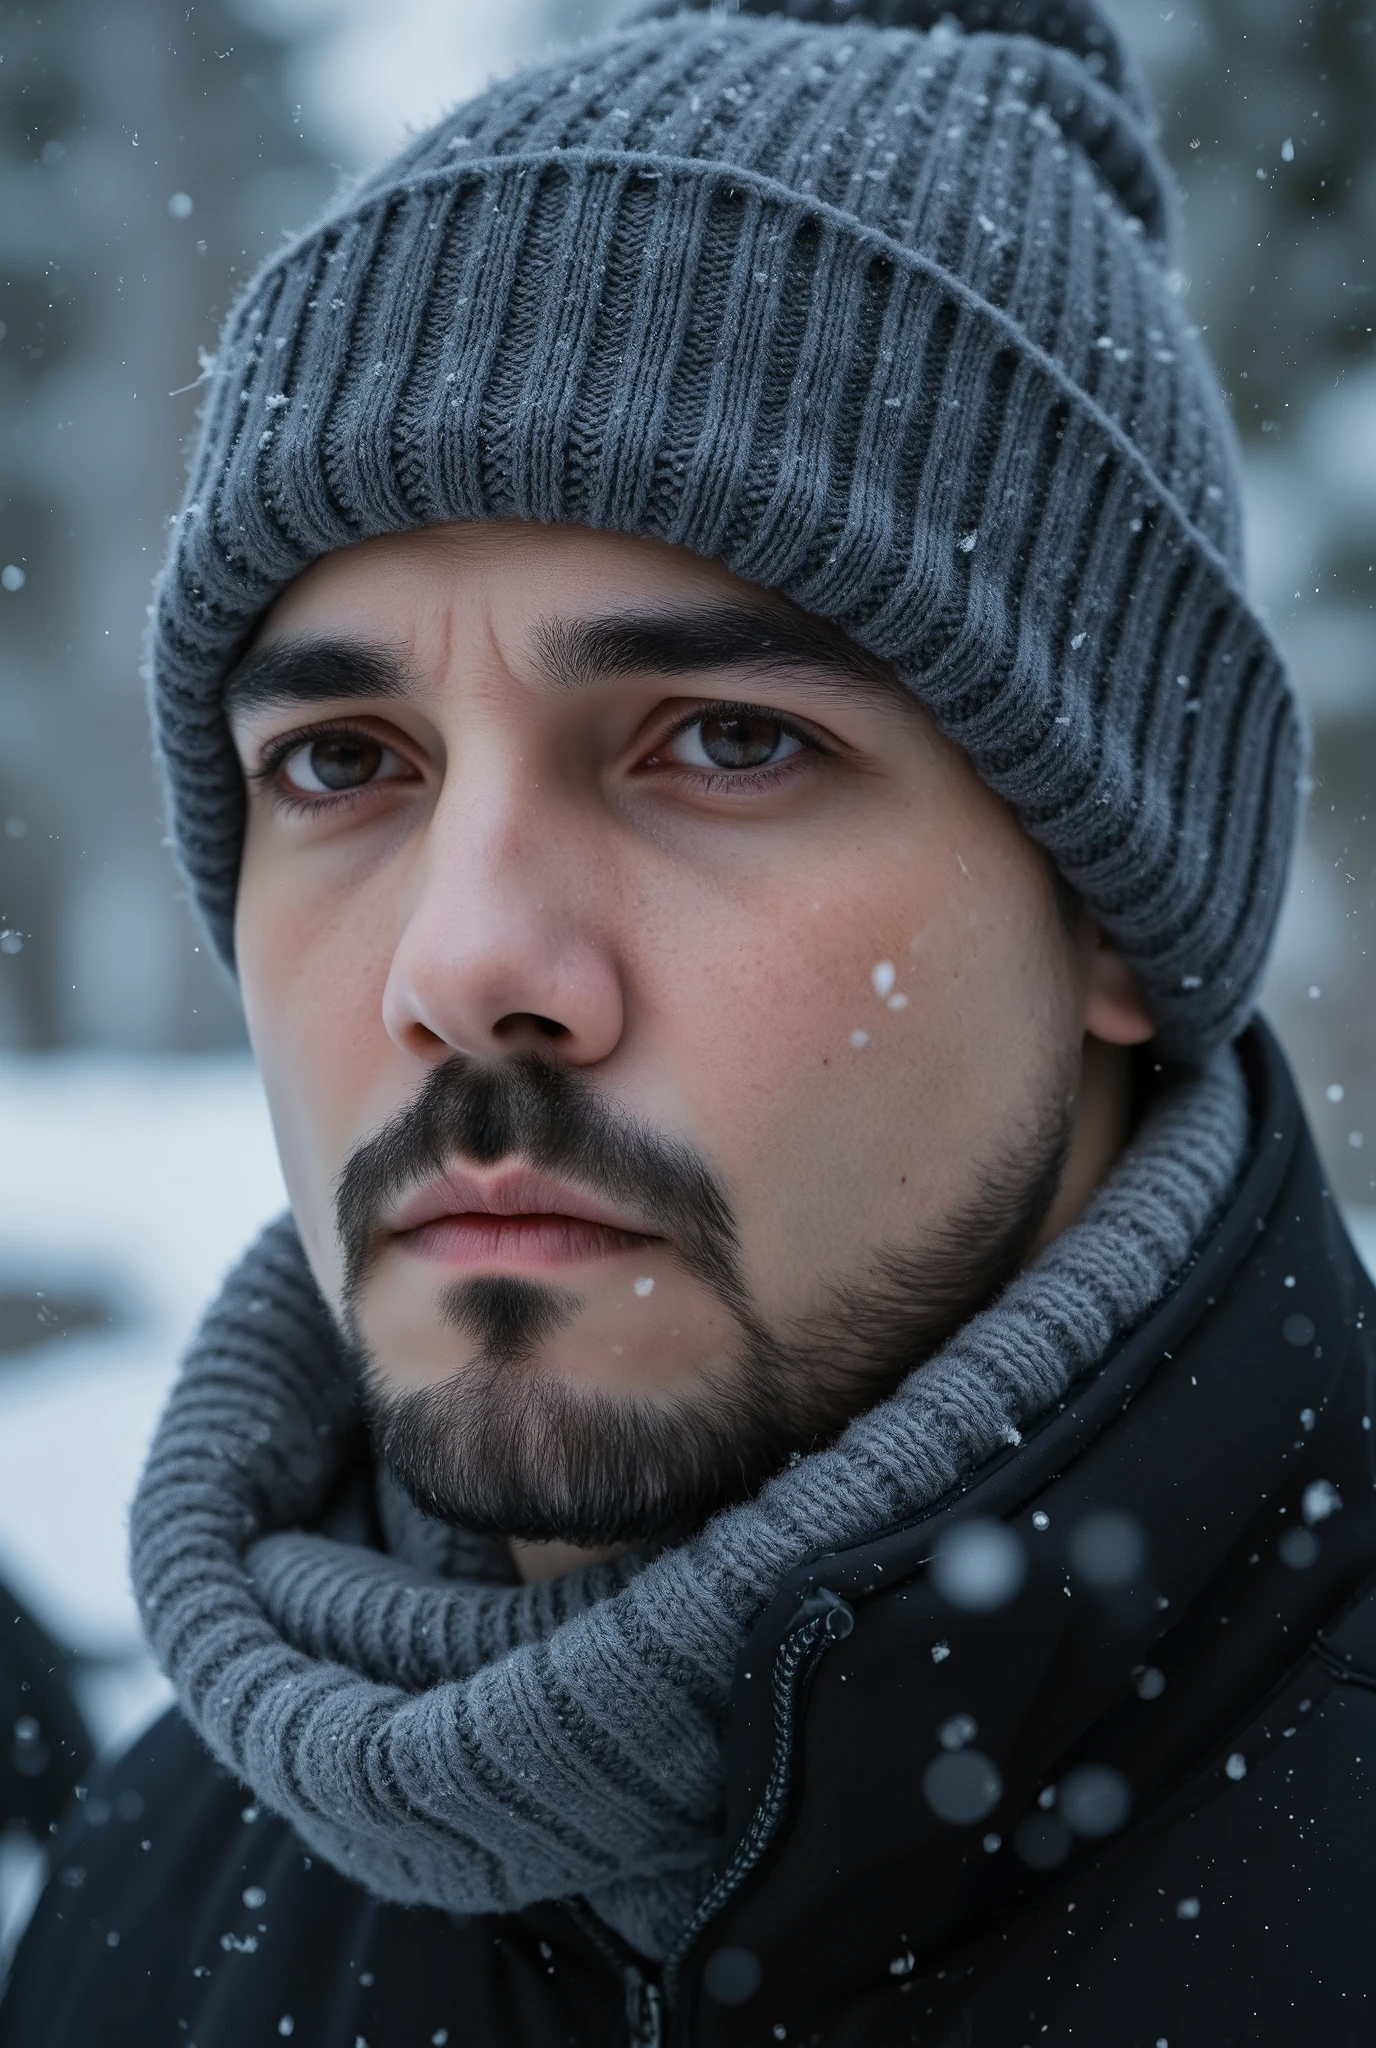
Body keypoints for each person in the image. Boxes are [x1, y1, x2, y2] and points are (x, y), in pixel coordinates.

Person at [4, 1, 1374, 2042]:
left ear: (1113, 901)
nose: (458, 965)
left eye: (723, 742)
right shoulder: (161, 1882)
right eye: (343, 764)